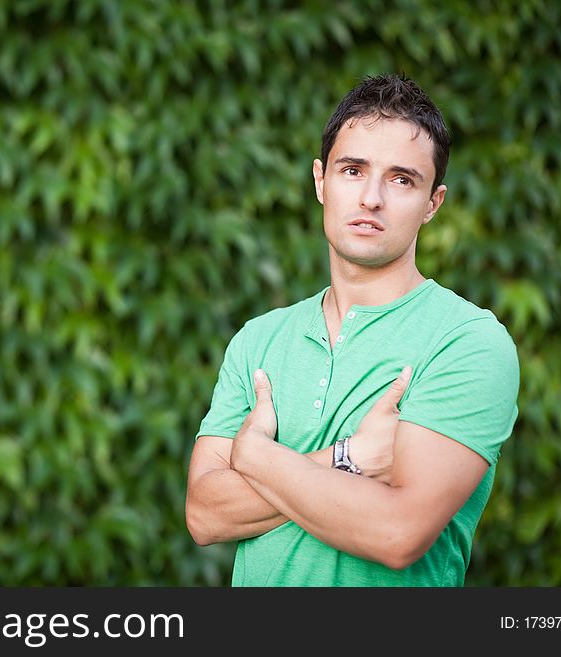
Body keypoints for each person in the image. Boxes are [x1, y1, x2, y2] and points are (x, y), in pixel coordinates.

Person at [185, 73, 519, 586]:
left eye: (402, 179)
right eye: (353, 170)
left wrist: (254, 458)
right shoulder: (258, 339)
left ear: (433, 202)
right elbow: (206, 515)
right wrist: (351, 459)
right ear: (320, 181)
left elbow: (397, 532)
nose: (371, 198)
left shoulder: (468, 342)